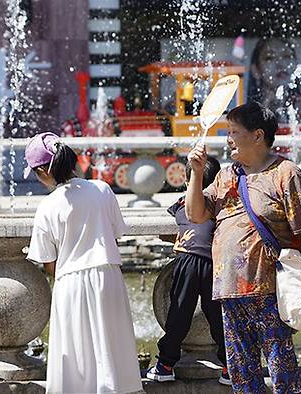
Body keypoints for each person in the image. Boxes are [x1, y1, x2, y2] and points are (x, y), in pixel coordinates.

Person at [186, 102, 301, 393]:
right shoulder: (226, 175)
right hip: (229, 290)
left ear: (258, 135)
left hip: (269, 290)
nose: (228, 138)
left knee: (281, 370)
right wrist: (196, 174)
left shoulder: (286, 173)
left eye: (234, 131)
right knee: (242, 375)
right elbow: (196, 214)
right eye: (227, 131)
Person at [25, 132, 142, 394]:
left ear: (43, 171)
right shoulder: (102, 189)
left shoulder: (47, 206)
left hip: (70, 281)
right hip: (107, 275)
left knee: (76, 365)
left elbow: (48, 262)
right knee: (111, 353)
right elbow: (113, 233)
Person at [146, 156, 230, 386]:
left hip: (188, 261)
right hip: (214, 262)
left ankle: (165, 365)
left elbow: (169, 226)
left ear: (186, 179)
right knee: (219, 318)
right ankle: (230, 366)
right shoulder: (219, 203)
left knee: (179, 314)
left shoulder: (183, 203)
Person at [248, 38, 301, 122]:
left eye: (287, 56)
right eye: (269, 58)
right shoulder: (246, 116)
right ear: (256, 70)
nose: (280, 63)